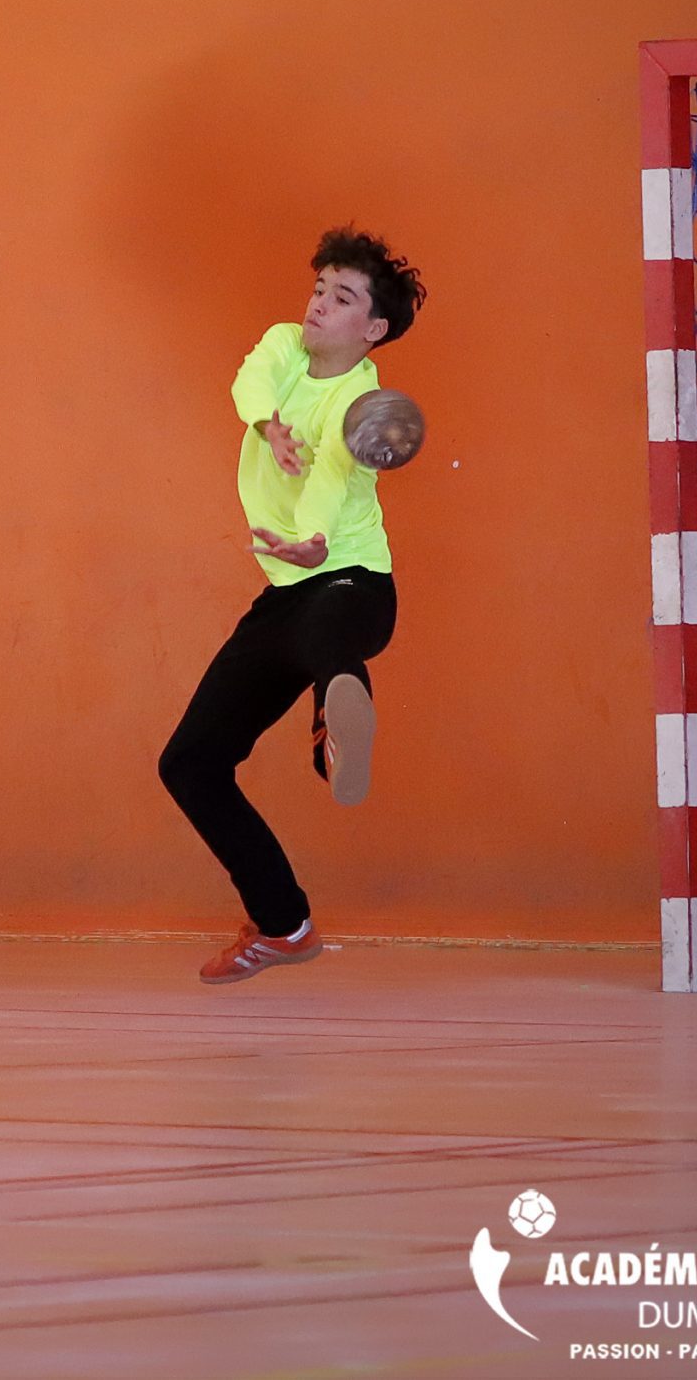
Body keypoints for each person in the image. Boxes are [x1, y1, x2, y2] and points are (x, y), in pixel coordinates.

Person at [157, 227, 427, 983]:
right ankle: (283, 923)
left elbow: (332, 481)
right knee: (190, 763)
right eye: (318, 289)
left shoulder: (360, 406)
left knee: (328, 636)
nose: (318, 304)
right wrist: (265, 422)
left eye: (341, 298)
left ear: (373, 328)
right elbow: (250, 380)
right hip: (286, 593)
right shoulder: (283, 345)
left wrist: (312, 540)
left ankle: (336, 720)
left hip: (352, 581)